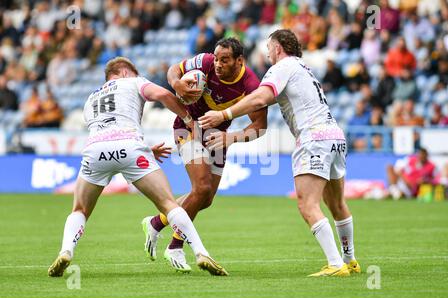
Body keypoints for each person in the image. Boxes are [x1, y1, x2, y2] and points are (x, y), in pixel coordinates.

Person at [199, 29, 361, 277]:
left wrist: (223, 114)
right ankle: (350, 261)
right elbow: (262, 101)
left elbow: (261, 97)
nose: (267, 53)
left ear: (277, 48)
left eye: (268, 48)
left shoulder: (282, 67)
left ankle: (336, 264)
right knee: (337, 203)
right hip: (335, 136)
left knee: (307, 204)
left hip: (313, 138)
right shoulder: (303, 69)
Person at [48, 57, 228, 277]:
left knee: (79, 209)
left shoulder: (91, 99)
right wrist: (188, 119)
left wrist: (145, 150)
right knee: (169, 205)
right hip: (131, 149)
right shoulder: (133, 81)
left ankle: (66, 250)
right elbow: (162, 94)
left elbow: (109, 129)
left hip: (95, 152)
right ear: (125, 72)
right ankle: (201, 252)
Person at [141, 38, 267, 273]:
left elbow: (260, 126)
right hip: (187, 127)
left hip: (219, 136)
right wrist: (177, 83)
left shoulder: (251, 85)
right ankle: (175, 246)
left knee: (206, 198)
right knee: (200, 188)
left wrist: (231, 138)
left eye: (225, 60)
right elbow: (174, 69)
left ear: (239, 61)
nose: (218, 64)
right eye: (217, 58)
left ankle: (156, 222)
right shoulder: (206, 62)